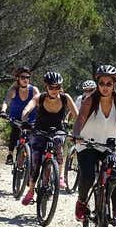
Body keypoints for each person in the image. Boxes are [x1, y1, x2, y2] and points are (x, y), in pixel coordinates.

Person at [72, 65, 116, 222]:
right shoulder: (90, 100)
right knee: (88, 176)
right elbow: (80, 119)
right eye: (101, 83)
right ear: (97, 84)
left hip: (109, 145)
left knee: (115, 174)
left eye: (108, 84)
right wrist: (76, 134)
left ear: (114, 84)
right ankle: (82, 203)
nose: (104, 87)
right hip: (87, 144)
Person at [19, 71, 78, 205]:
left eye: (57, 87)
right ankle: (31, 190)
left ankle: (60, 176)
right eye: (51, 87)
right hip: (40, 130)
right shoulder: (40, 98)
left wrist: (78, 131)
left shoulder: (65, 98)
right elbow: (27, 109)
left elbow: (77, 115)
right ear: (46, 86)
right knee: (36, 160)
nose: (54, 90)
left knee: (59, 146)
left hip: (58, 130)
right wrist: (24, 120)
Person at [0, 66, 39, 165]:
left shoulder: (34, 90)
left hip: (31, 118)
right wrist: (3, 111)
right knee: (15, 131)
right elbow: (6, 101)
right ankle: (10, 154)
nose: (25, 79)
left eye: (27, 77)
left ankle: (29, 158)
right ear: (17, 78)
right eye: (23, 77)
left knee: (32, 137)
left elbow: (41, 102)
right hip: (16, 118)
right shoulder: (13, 90)